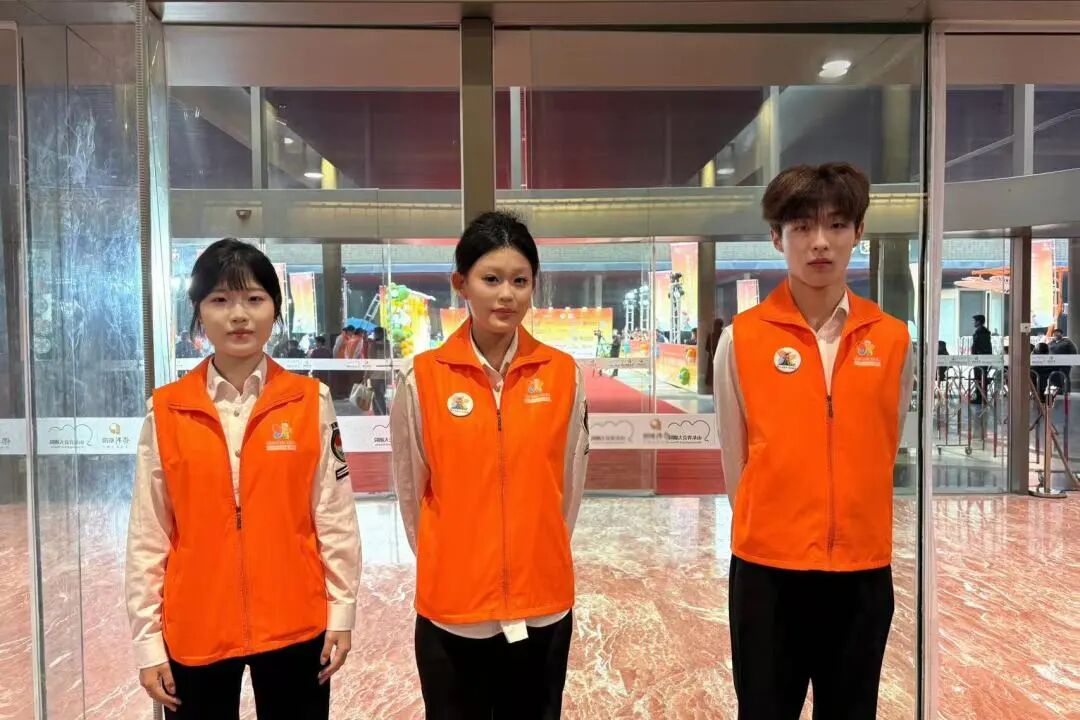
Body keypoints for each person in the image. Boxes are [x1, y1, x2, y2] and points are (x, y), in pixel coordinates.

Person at [125, 238, 362, 719]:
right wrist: (147, 641)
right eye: (220, 300)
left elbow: (334, 514)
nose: (238, 315)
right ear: (198, 312)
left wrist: (342, 610)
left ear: (275, 309)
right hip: (196, 627)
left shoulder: (309, 402)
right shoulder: (166, 410)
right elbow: (148, 533)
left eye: (254, 299)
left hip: (296, 621)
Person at [714, 162, 914, 720]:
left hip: (862, 569)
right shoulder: (742, 339)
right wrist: (771, 526)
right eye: (802, 226)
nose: (820, 242)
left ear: (858, 232)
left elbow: (886, 440)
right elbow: (735, 456)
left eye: (836, 224)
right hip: (767, 571)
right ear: (777, 238)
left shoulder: (891, 339)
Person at [390, 212, 589, 720]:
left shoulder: (562, 374)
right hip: (452, 610)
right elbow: (412, 490)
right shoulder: (421, 378)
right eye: (491, 279)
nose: (506, 295)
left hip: (542, 604)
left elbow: (568, 485)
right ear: (461, 284)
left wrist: (537, 553)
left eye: (520, 281)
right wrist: (448, 561)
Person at [365, 326, 390, 415]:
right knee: (381, 394)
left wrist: (366, 375)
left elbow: (371, 361)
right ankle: (382, 412)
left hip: (375, 374)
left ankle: (381, 414)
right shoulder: (388, 344)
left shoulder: (373, 345)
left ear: (377, 334)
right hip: (386, 373)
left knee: (377, 395)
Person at [970, 314, 993, 404]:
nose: (973, 323)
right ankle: (981, 396)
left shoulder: (981, 333)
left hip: (980, 359)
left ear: (979, 322)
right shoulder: (984, 332)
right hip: (981, 358)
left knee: (979, 377)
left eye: (975, 321)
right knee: (981, 377)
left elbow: (978, 345)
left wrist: (975, 353)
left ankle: (980, 397)